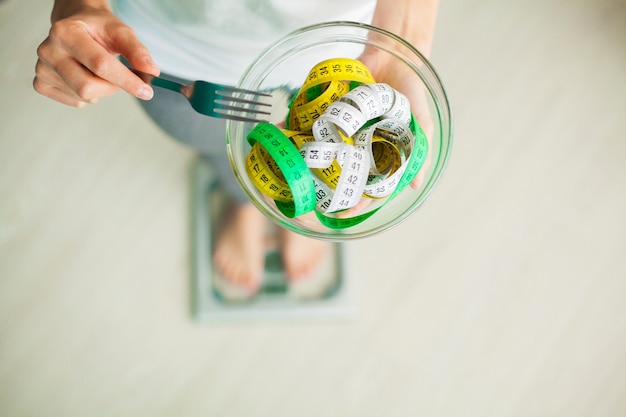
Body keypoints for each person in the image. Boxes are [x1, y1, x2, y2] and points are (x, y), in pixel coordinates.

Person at [34, 0, 439, 299]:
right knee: (213, 145)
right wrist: (80, 6)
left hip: (340, 47)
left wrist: (399, 46)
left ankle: (286, 203)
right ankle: (244, 200)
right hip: (169, 52)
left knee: (290, 174)